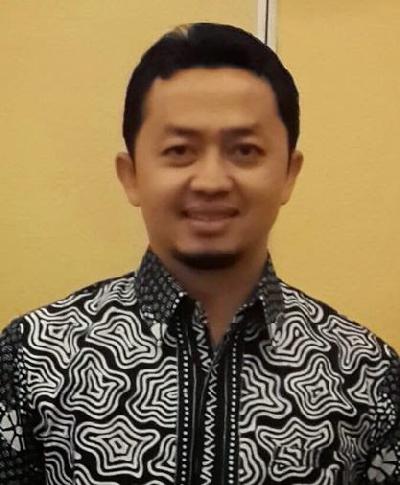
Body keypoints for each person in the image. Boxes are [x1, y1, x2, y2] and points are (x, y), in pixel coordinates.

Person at [0, 22, 399, 485]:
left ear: (289, 173)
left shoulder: (368, 375)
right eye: (179, 150)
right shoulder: (32, 358)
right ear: (131, 175)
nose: (211, 181)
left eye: (245, 150)